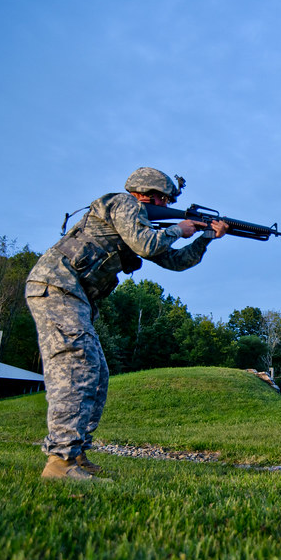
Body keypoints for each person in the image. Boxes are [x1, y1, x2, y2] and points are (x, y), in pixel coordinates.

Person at [26, 167, 227, 481]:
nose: (165, 202)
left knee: (95, 371)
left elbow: (173, 261)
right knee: (76, 366)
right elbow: (149, 244)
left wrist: (205, 238)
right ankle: (60, 463)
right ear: (148, 194)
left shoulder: (139, 222)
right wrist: (179, 228)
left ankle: (75, 454)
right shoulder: (123, 204)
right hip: (57, 285)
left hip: (72, 292)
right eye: (163, 198)